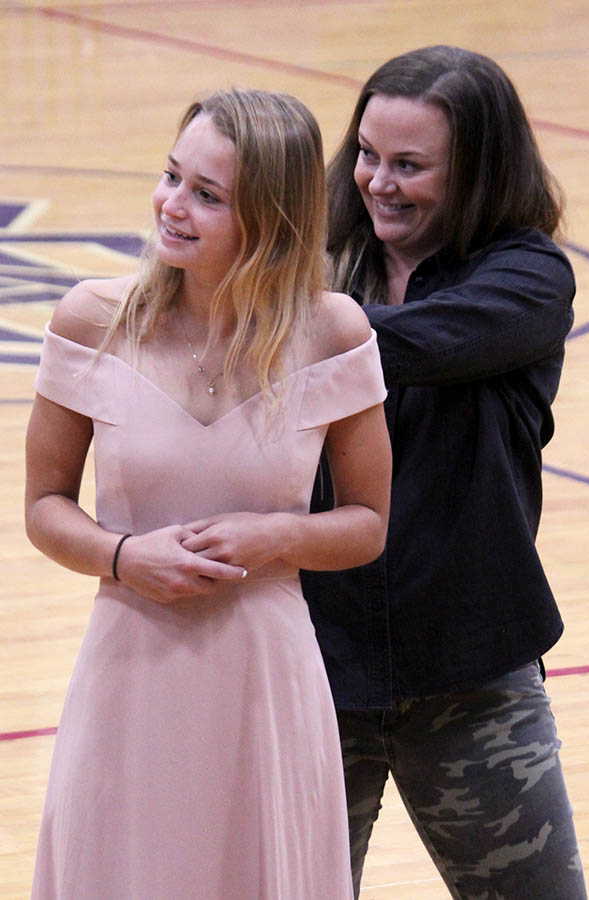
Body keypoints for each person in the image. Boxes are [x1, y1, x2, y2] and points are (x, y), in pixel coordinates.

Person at [25, 88, 392, 900]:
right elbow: (44, 508)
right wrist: (123, 557)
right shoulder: (92, 320)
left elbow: (367, 524)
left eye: (207, 195)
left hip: (265, 675)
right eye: (171, 176)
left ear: (271, 217)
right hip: (131, 666)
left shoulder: (332, 331)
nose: (171, 206)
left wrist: (277, 539)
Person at [300, 45, 589, 900]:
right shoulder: (320, 262)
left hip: (474, 684)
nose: (376, 182)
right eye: (366, 154)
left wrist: (260, 323)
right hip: (313, 673)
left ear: (478, 173)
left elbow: (396, 346)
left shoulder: (528, 281)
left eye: (410, 166)